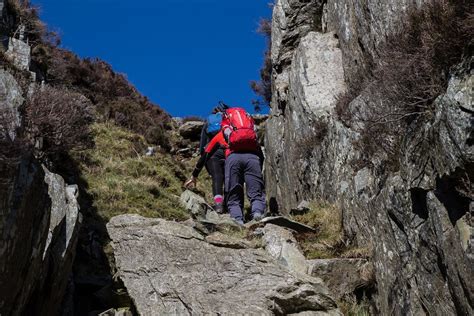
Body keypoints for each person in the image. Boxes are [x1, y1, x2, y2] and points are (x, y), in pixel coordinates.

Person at [185, 107, 266, 225]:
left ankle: (233, 216)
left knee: (227, 184)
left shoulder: (219, 134)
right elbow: (259, 152)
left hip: (228, 158)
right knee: (251, 188)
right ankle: (257, 213)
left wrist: (194, 175)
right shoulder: (248, 133)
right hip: (250, 158)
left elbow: (205, 152)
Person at [197, 105, 227, 213]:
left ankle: (218, 205)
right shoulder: (228, 121)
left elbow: (202, 146)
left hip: (212, 154)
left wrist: (204, 160)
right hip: (227, 152)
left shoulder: (208, 123)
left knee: (217, 177)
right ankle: (229, 205)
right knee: (228, 179)